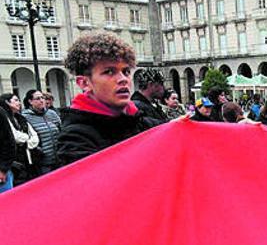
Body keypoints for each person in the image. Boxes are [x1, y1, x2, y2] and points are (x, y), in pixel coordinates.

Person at [56, 34, 162, 167]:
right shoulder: (74, 139)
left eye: (126, 71)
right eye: (109, 72)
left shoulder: (144, 123)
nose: (123, 79)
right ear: (84, 83)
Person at [0, 93, 41, 185]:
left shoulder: (21, 118)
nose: (19, 103)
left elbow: (34, 136)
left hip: (28, 159)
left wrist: (26, 143)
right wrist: (27, 138)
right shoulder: (4, 117)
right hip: (15, 160)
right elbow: (15, 137)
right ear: (7, 102)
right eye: (16, 100)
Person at [22, 89, 61, 175]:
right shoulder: (25, 117)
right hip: (42, 162)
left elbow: (61, 130)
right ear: (30, 101)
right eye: (38, 98)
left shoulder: (52, 113)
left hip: (59, 158)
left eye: (42, 98)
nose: (41, 100)